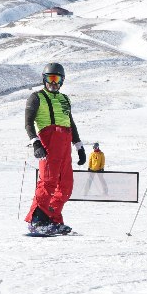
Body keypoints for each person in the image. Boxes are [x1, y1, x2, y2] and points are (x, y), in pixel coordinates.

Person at [24, 63, 87, 235]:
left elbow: (70, 123)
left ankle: (51, 217)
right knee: (48, 182)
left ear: (62, 81)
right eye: (49, 78)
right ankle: (36, 220)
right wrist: (35, 143)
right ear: (44, 79)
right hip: (49, 140)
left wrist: (79, 145)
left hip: (65, 142)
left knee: (66, 186)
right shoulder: (36, 97)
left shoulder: (65, 99)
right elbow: (28, 123)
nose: (53, 82)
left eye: (56, 79)